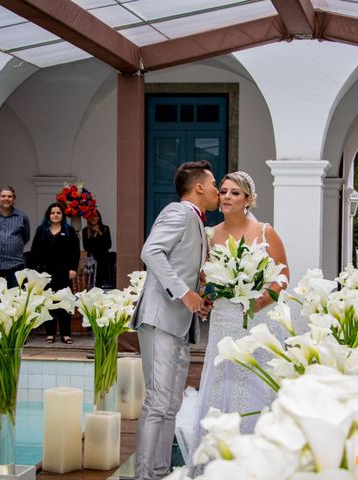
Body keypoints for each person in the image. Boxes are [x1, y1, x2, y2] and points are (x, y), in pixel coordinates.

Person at [188, 171, 289, 466]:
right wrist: (205, 300)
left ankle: (262, 459)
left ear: (248, 199)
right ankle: (219, 459)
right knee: (222, 382)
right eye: (224, 191)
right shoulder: (210, 235)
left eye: (235, 192)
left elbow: (283, 274)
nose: (227, 197)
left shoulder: (265, 231)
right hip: (224, 322)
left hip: (259, 321)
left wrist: (262, 301)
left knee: (258, 382)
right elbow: (206, 279)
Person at [132, 160, 220, 480]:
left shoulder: (198, 222)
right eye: (213, 184)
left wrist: (199, 300)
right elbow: (151, 251)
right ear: (198, 187)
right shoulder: (178, 212)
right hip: (160, 319)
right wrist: (185, 294)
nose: (217, 190)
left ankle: (158, 472)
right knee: (157, 402)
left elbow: (184, 268)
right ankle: (145, 475)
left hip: (181, 323)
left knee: (171, 405)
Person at [29, 203, 80, 344]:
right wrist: (35, 271)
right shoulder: (41, 231)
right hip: (46, 274)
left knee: (65, 303)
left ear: (62, 215)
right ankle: (50, 333)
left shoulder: (69, 231)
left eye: (58, 212)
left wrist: (73, 269)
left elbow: (75, 252)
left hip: (64, 272)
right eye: (53, 213)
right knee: (48, 303)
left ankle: (66, 334)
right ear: (48, 215)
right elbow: (34, 251)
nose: (56, 215)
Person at [0, 185, 30, 287]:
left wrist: (13, 245)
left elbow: (26, 237)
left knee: (16, 296)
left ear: (14, 199)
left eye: (9, 196)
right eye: (3, 196)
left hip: (15, 263)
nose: (6, 199)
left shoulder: (22, 217)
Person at [82, 210, 112, 288]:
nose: (93, 218)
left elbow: (108, 245)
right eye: (91, 217)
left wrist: (99, 233)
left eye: (95, 216)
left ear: (99, 217)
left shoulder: (105, 229)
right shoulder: (85, 230)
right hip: (92, 259)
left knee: (102, 282)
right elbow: (86, 247)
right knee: (92, 282)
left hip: (104, 259)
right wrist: (95, 237)